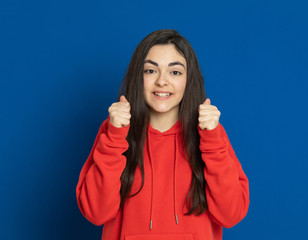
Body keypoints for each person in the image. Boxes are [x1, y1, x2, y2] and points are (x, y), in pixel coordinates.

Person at [76, 29, 249, 240]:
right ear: (138, 77)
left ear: (188, 80)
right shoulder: (115, 130)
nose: (162, 81)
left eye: (175, 72)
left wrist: (212, 140)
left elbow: (231, 214)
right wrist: (115, 137)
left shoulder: (210, 134)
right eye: (150, 71)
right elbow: (95, 213)